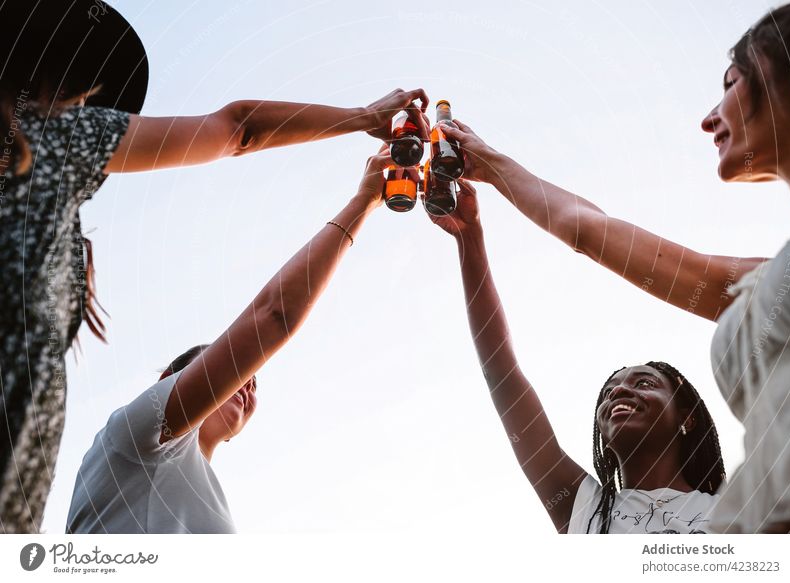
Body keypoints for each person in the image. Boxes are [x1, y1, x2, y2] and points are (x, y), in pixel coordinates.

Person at [0, 0, 429, 533]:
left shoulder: (55, 163)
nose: (80, 105)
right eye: (73, 91)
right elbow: (237, 131)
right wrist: (364, 129)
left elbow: (239, 129)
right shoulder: (59, 139)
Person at [434, 3, 790, 534]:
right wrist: (473, 225)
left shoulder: (729, 514)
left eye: (731, 82)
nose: (709, 116)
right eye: (611, 391)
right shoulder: (592, 514)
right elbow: (585, 232)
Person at [65, 149, 392, 533]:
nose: (248, 383)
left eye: (251, 381)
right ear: (170, 380)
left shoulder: (209, 498)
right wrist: (364, 201)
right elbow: (273, 316)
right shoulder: (138, 436)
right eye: (240, 372)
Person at [425, 181, 725, 534]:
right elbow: (501, 374)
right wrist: (469, 238)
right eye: (609, 391)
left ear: (686, 418)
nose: (619, 392)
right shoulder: (583, 509)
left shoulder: (742, 509)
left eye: (644, 382)